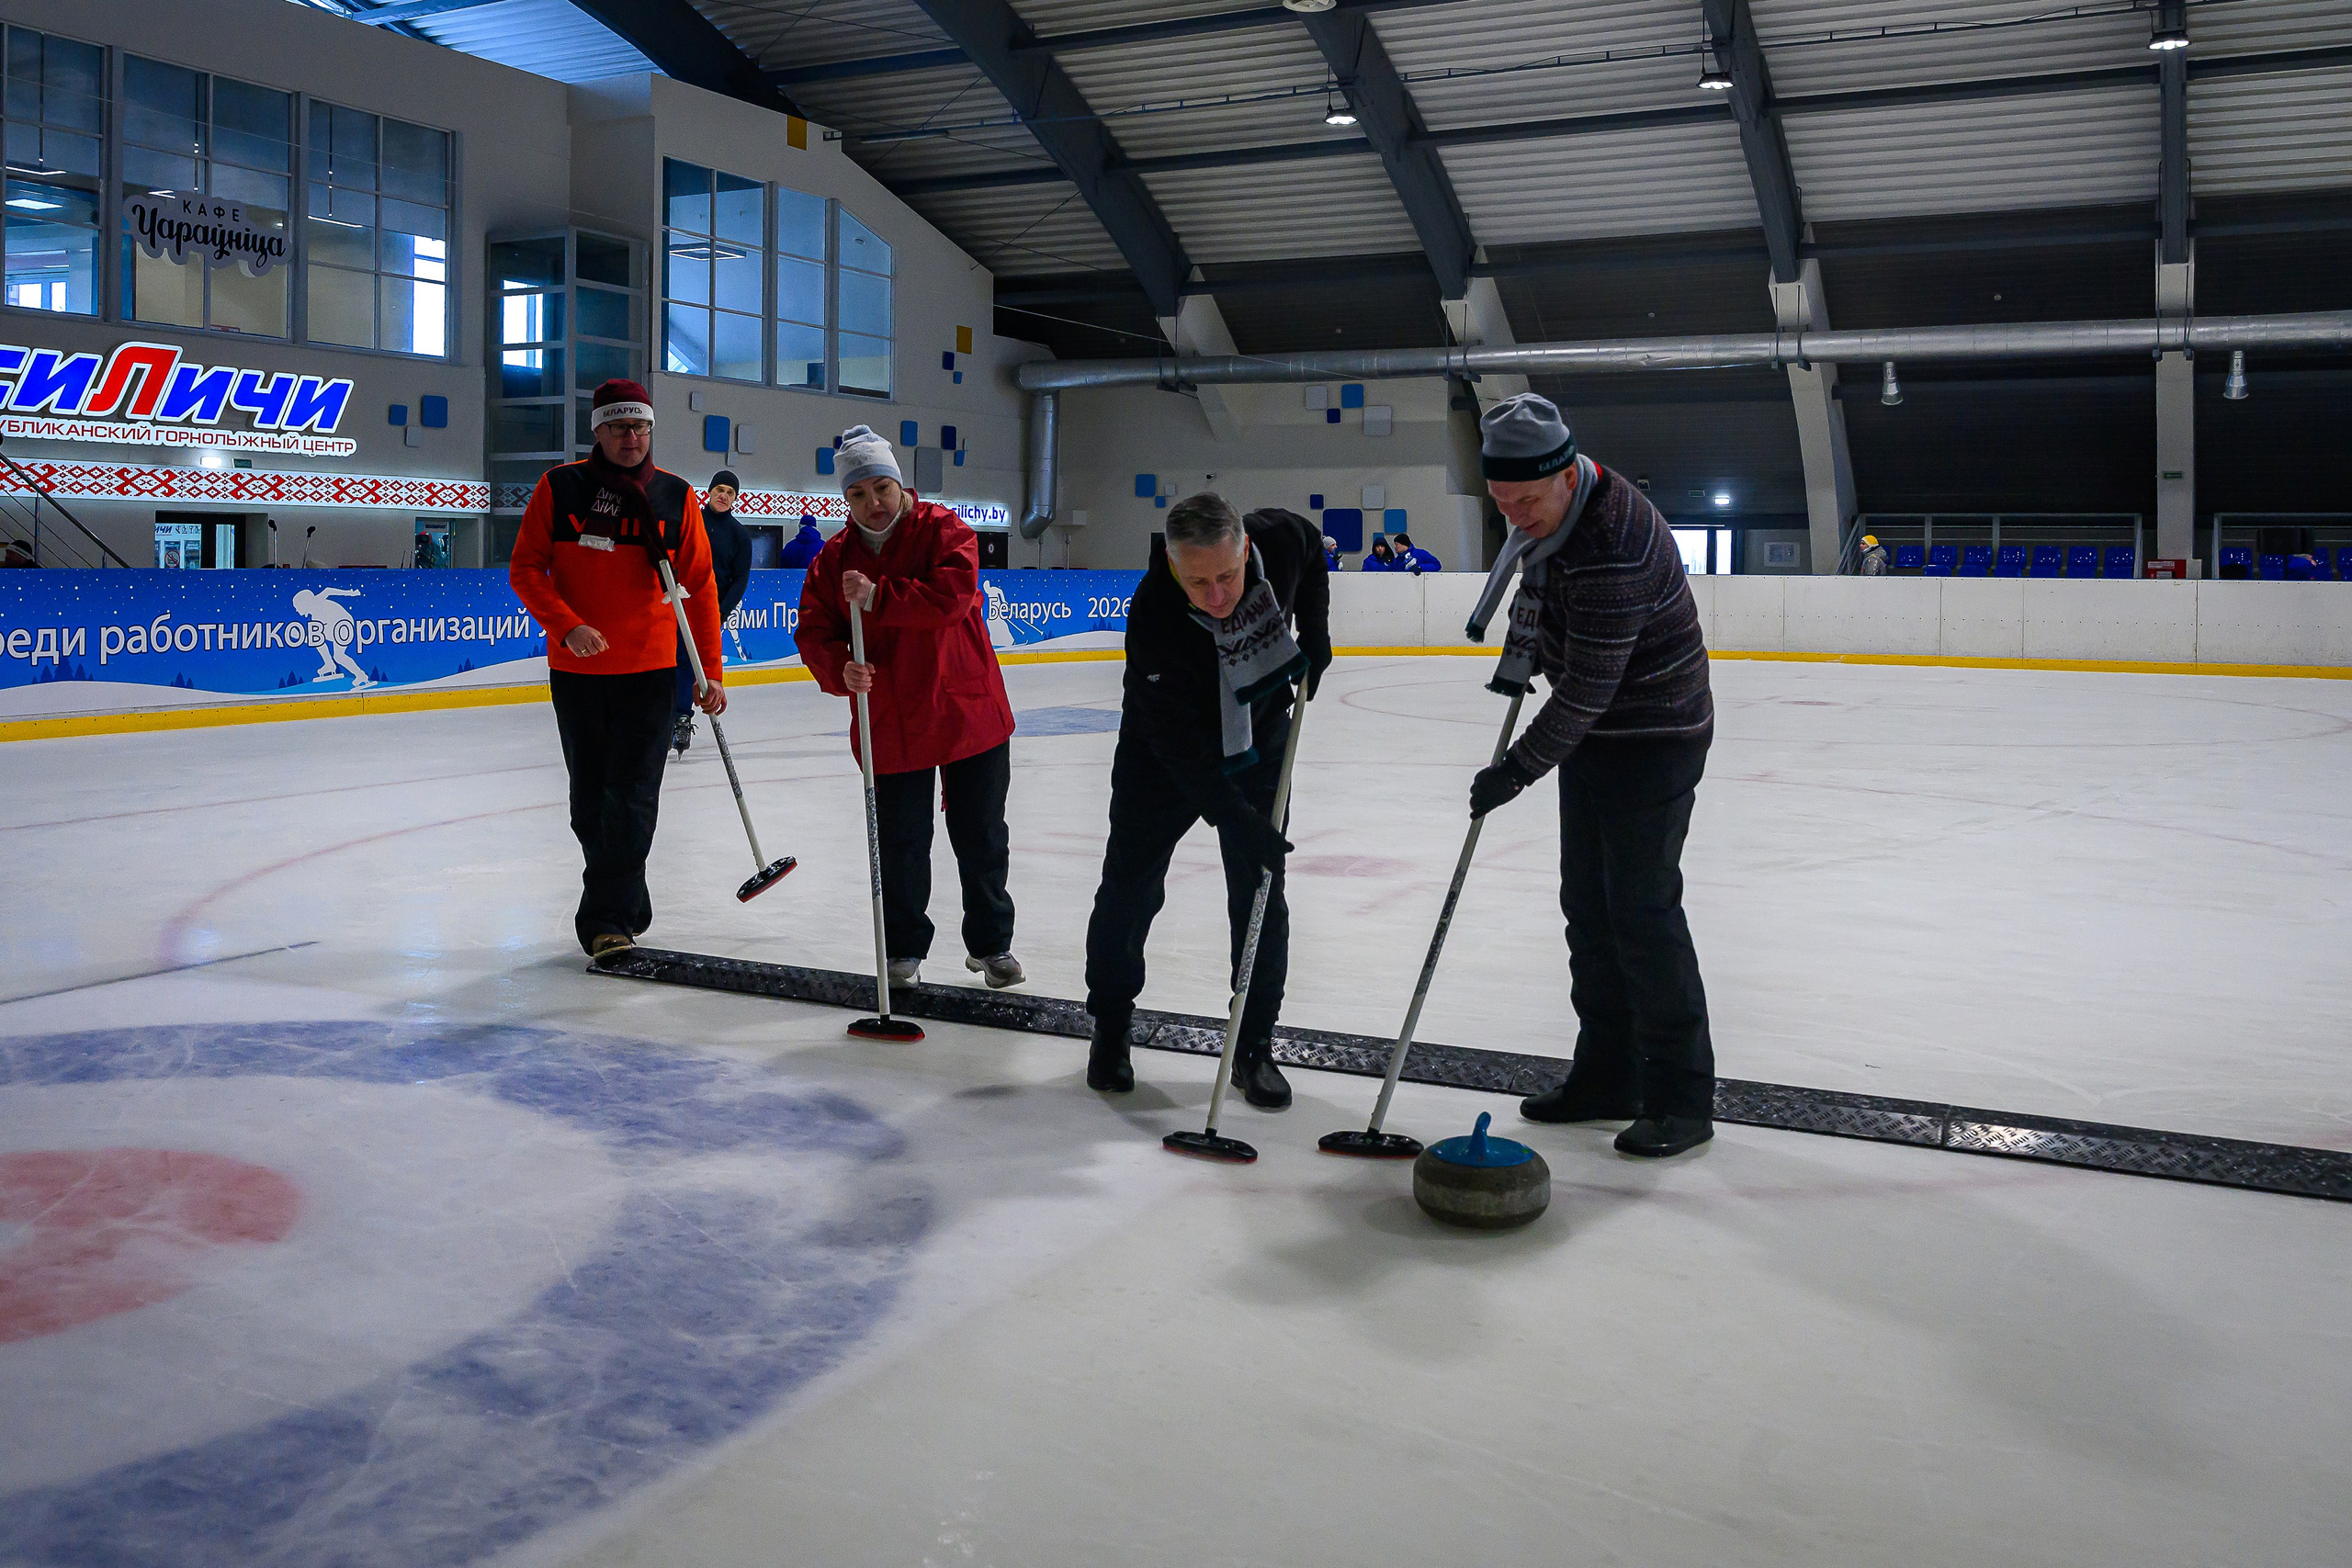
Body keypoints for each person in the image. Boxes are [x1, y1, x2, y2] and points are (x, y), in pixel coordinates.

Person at [1464, 392, 1715, 1158]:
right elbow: (1547, 620)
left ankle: (1681, 1099)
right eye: (1502, 503)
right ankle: (1609, 1076)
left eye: (1527, 502)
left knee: (1641, 913)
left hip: (1655, 734)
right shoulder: (1549, 522)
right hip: (1597, 739)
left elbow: (1585, 693)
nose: (1516, 518)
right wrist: (1524, 655)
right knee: (1588, 909)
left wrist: (1514, 771)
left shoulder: (1613, 540)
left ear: (1568, 476)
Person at [1080, 494, 1331, 1103]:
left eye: (1227, 575)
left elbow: (1312, 548)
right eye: (1197, 581)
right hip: (1163, 752)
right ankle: (1110, 1026)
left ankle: (1254, 1043)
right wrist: (1231, 814)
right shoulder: (1154, 612)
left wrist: (1317, 628)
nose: (1217, 595)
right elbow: (1172, 739)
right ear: (1172, 564)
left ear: (1246, 549)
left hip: (1260, 730)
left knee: (1260, 892)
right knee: (1129, 888)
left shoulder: (1280, 540)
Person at [796, 425, 1024, 990]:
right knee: (900, 841)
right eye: (857, 494)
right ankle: (903, 948)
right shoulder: (833, 559)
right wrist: (840, 668)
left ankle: (991, 944)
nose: (872, 503)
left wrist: (879, 596)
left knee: (981, 833)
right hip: (891, 718)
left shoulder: (944, 530)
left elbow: (952, 598)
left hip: (965, 708)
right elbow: (814, 631)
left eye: (881, 488)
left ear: (899, 484)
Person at [510, 378, 725, 967]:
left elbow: (701, 588)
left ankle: (607, 922)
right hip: (577, 672)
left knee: (631, 797)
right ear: (598, 431)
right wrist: (567, 625)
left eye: (641, 427)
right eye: (619, 427)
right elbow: (526, 569)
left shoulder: (675, 496)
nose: (632, 438)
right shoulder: (560, 487)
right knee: (589, 804)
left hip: (649, 672)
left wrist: (709, 671)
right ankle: (628, 900)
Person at [673, 468, 752, 754]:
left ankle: (682, 718)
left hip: (708, 612)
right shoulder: (691, 523)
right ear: (709, 492)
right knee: (666, 660)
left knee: (689, 663)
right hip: (676, 604)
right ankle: (661, 716)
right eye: (720, 489)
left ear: (735, 499)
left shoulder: (739, 535)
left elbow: (740, 579)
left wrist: (719, 612)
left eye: (730, 492)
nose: (724, 495)